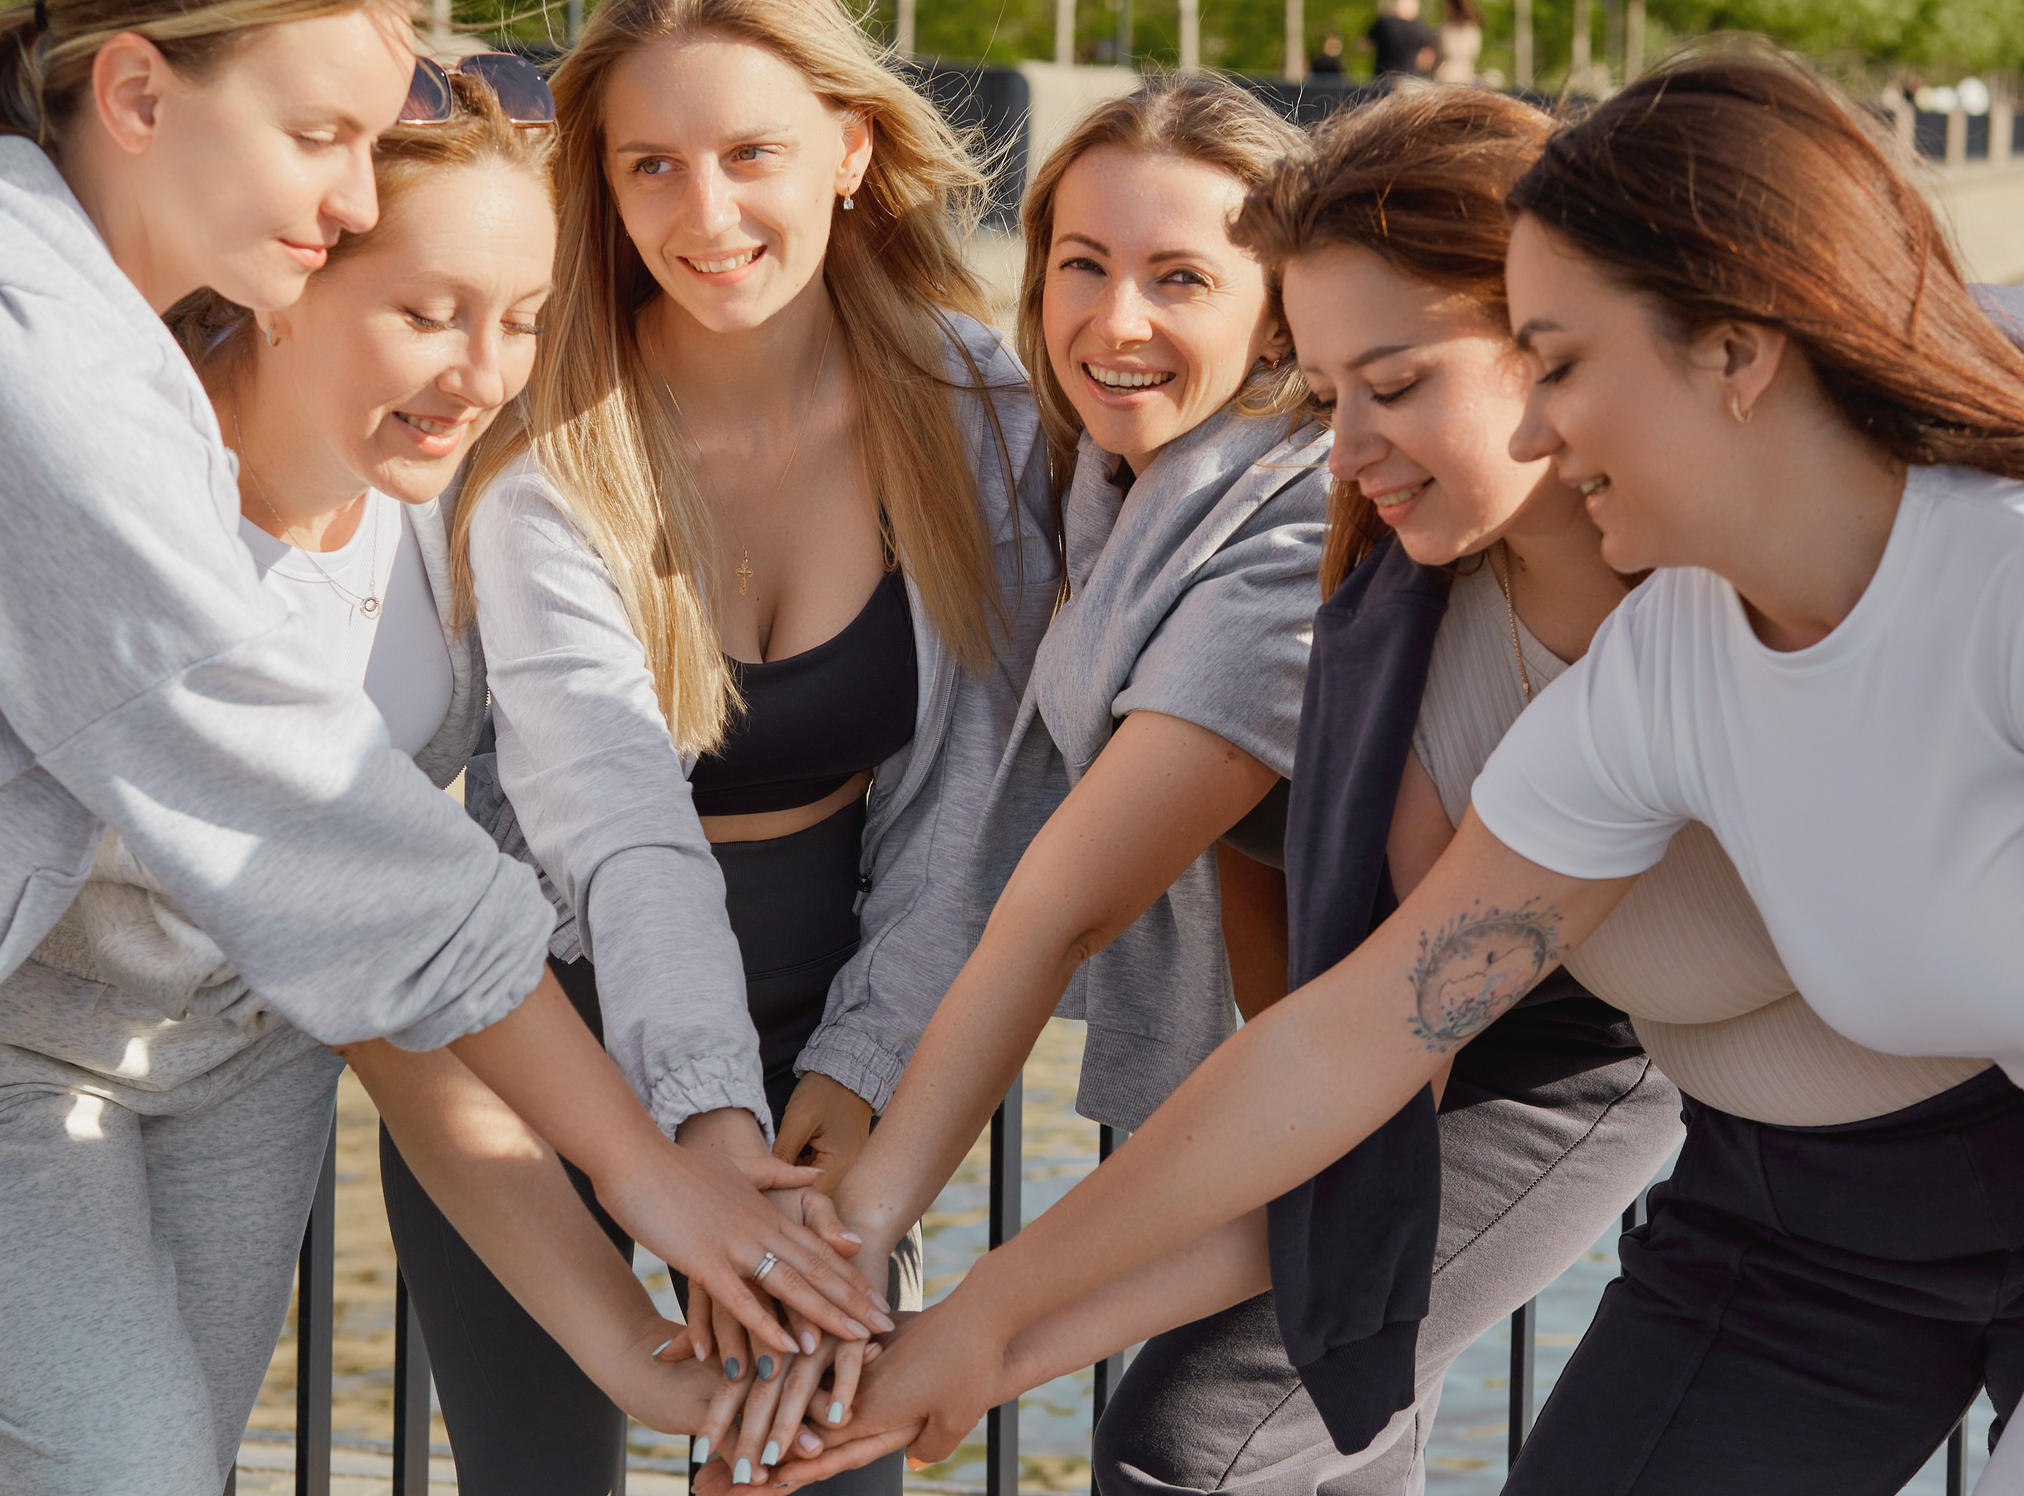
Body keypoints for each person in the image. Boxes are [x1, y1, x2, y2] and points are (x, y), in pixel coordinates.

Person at [798, 49, 2024, 1496]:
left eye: (1554, 363)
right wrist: (990, 1324)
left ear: (1734, 350)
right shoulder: (1663, 659)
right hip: (1862, 1231)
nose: (1542, 423)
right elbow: (1357, 1032)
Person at [0, 0, 880, 1496]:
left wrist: (658, 1244)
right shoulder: (30, 387)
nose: (341, 190)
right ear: (135, 94)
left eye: (525, 318)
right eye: (320, 138)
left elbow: (528, 861)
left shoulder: (27, 313)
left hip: (167, 1039)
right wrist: (668, 1195)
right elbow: (343, 852)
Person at [712, 78, 1676, 1496]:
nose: (1114, 321)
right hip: (1399, 1043)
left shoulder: (1304, 550)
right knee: (1300, 1432)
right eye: (1079, 266)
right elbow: (1299, 1007)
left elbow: (1065, 908)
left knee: (1202, 1443)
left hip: (1557, 1055)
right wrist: (961, 1311)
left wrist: (900, 1278)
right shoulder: (1159, 523)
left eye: (1180, 276)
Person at [369, 0, 1056, 1496]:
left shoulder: (972, 407)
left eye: (751, 154)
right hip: (546, 1044)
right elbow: (612, 811)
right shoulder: (543, 436)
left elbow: (973, 800)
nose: (705, 214)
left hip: (839, 1035)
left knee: (816, 1473)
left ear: (851, 146)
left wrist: (851, 1088)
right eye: (651, 165)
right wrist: (704, 1134)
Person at [1367, 0, 1436, 84]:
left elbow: (1365, 45)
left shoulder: (1384, 23)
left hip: (1383, 80)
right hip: (1408, 81)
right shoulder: (1419, 28)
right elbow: (1426, 60)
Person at [1433, 0, 1482, 85]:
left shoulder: (1446, 30)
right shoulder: (1473, 30)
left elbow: (1437, 55)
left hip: (1445, 79)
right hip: (1466, 79)